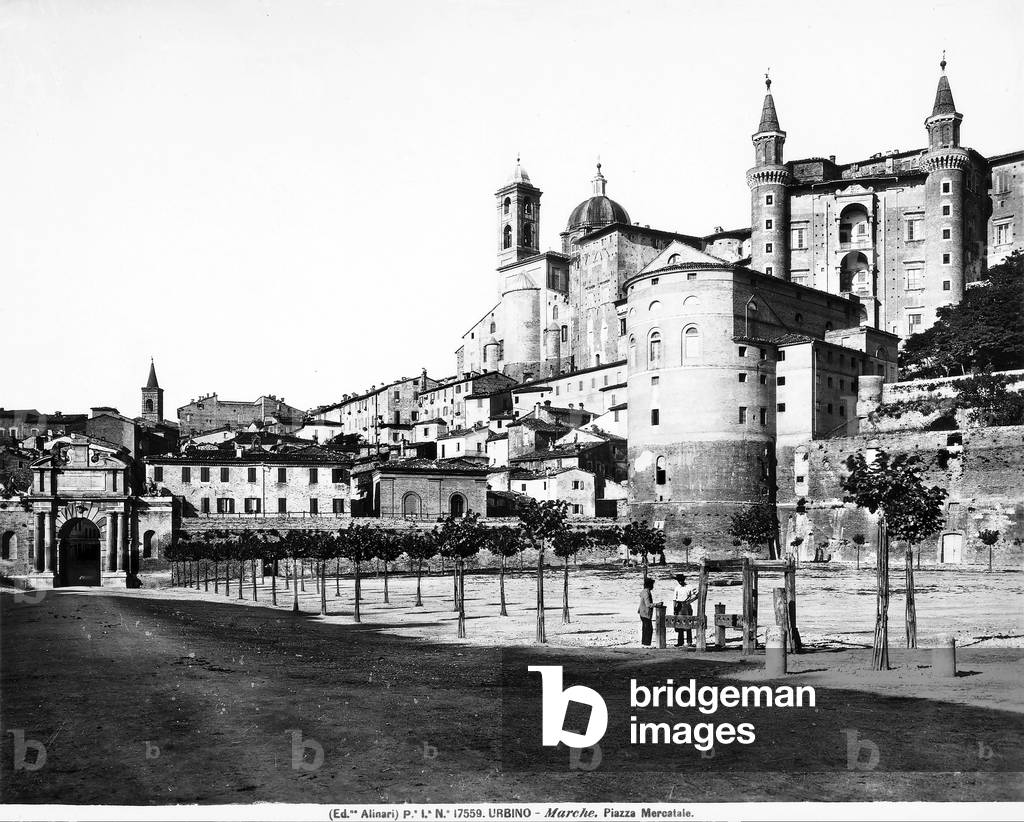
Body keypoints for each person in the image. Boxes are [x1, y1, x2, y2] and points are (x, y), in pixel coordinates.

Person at [672, 573, 697, 647]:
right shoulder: (677, 588)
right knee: (679, 624)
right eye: (679, 581)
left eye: (681, 580)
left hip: (687, 606)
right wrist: (674, 608)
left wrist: (690, 601)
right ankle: (680, 642)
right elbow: (674, 599)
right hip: (679, 605)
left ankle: (689, 642)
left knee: (688, 623)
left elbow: (697, 595)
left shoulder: (689, 587)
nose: (680, 582)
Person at [638, 577, 656, 646]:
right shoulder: (646, 592)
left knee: (645, 629)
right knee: (649, 629)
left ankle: (644, 643)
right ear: (650, 585)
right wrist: (657, 604)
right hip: (646, 613)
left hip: (642, 612)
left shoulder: (644, 591)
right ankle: (647, 644)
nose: (653, 586)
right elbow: (648, 604)